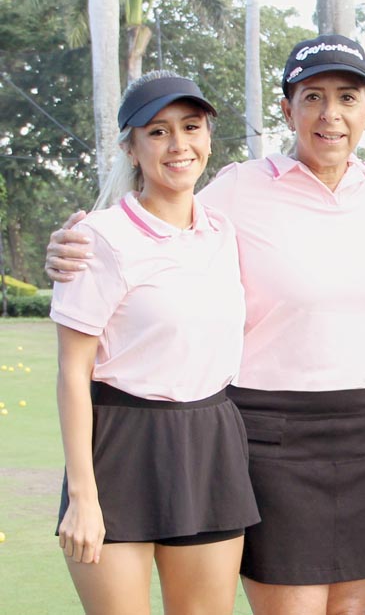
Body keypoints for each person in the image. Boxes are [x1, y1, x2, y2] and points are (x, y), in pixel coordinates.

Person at [46, 35, 365, 615]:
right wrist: (69, 246)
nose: (330, 114)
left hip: (348, 430)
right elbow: (153, 212)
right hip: (257, 427)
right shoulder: (235, 193)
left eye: (348, 97)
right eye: (312, 97)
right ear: (287, 109)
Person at [51, 72, 260, 614]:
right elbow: (74, 373)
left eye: (191, 128)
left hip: (210, 440)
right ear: (131, 146)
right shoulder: (97, 238)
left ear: (208, 137)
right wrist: (83, 498)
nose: (178, 145)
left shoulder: (223, 230)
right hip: (120, 446)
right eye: (158, 132)